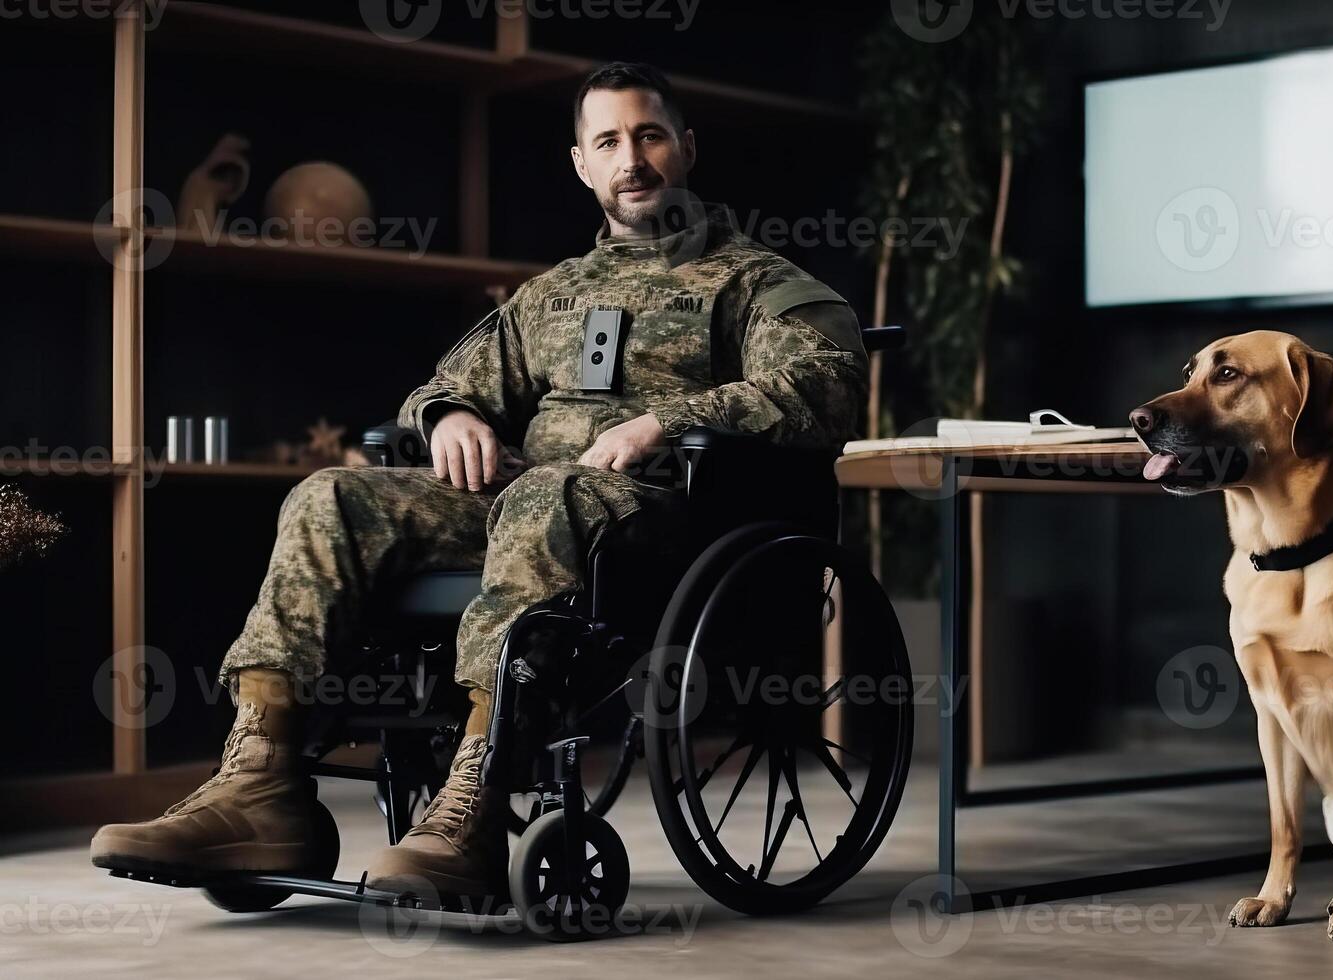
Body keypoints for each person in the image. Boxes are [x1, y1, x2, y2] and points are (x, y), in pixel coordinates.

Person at [90, 62, 868, 900]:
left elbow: (823, 380)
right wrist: (450, 417)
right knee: (328, 497)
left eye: (647, 135)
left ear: (684, 146)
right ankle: (260, 787)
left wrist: (665, 422)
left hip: (670, 517)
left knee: (542, 497)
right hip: (530, 505)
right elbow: (442, 384)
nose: (630, 158)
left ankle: (474, 799)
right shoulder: (551, 294)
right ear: (581, 163)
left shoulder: (754, 279)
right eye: (607, 141)